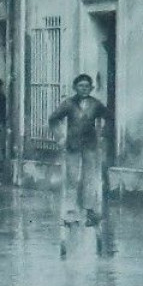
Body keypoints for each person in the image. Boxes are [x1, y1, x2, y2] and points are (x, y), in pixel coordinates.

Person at [48, 74, 109, 239]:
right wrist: (60, 137)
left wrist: (102, 134)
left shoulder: (96, 104)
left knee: (90, 178)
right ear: (75, 87)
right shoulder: (69, 103)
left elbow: (108, 117)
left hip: (90, 146)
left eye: (87, 86)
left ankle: (90, 211)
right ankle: (70, 213)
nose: (84, 89)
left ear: (91, 88)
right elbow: (53, 119)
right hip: (72, 146)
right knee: (72, 178)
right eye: (81, 86)